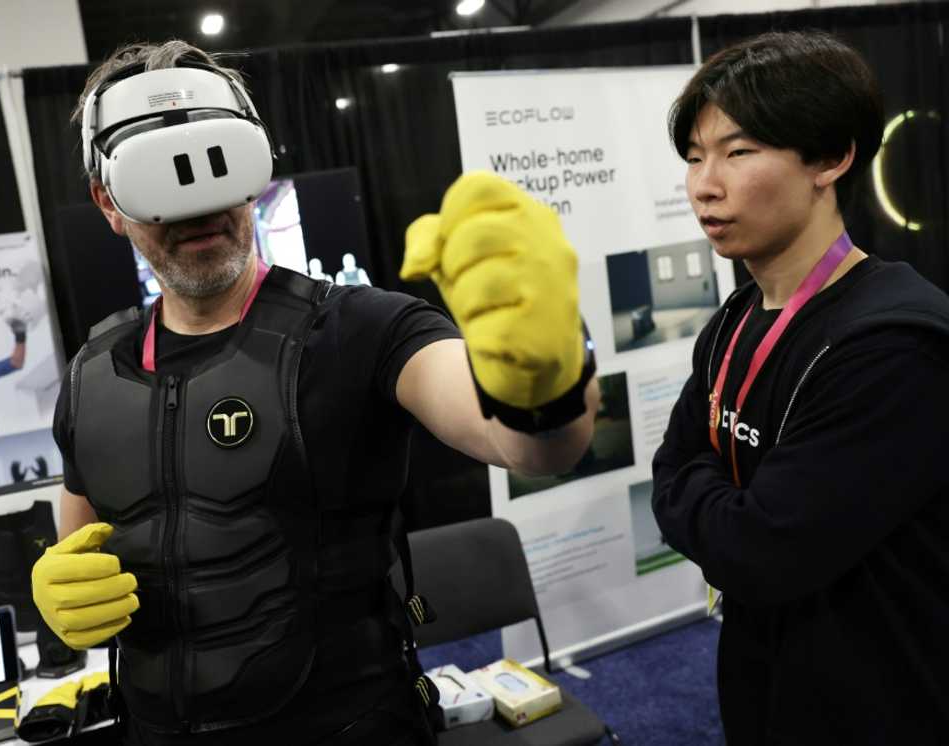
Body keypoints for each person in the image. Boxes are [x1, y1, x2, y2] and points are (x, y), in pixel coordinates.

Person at [30, 41, 599, 746]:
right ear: (109, 202)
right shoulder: (94, 374)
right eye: (157, 178)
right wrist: (55, 590)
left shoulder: (359, 327)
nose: (196, 206)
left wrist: (545, 382)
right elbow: (81, 538)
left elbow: (531, 447)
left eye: (213, 163)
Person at [651, 30, 949, 745]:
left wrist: (711, 506)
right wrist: (720, 511)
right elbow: (668, 479)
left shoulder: (895, 346)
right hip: (764, 676)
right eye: (695, 157)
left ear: (832, 158)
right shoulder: (734, 319)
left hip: (883, 695)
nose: (704, 184)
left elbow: (760, 550)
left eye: (738, 152)